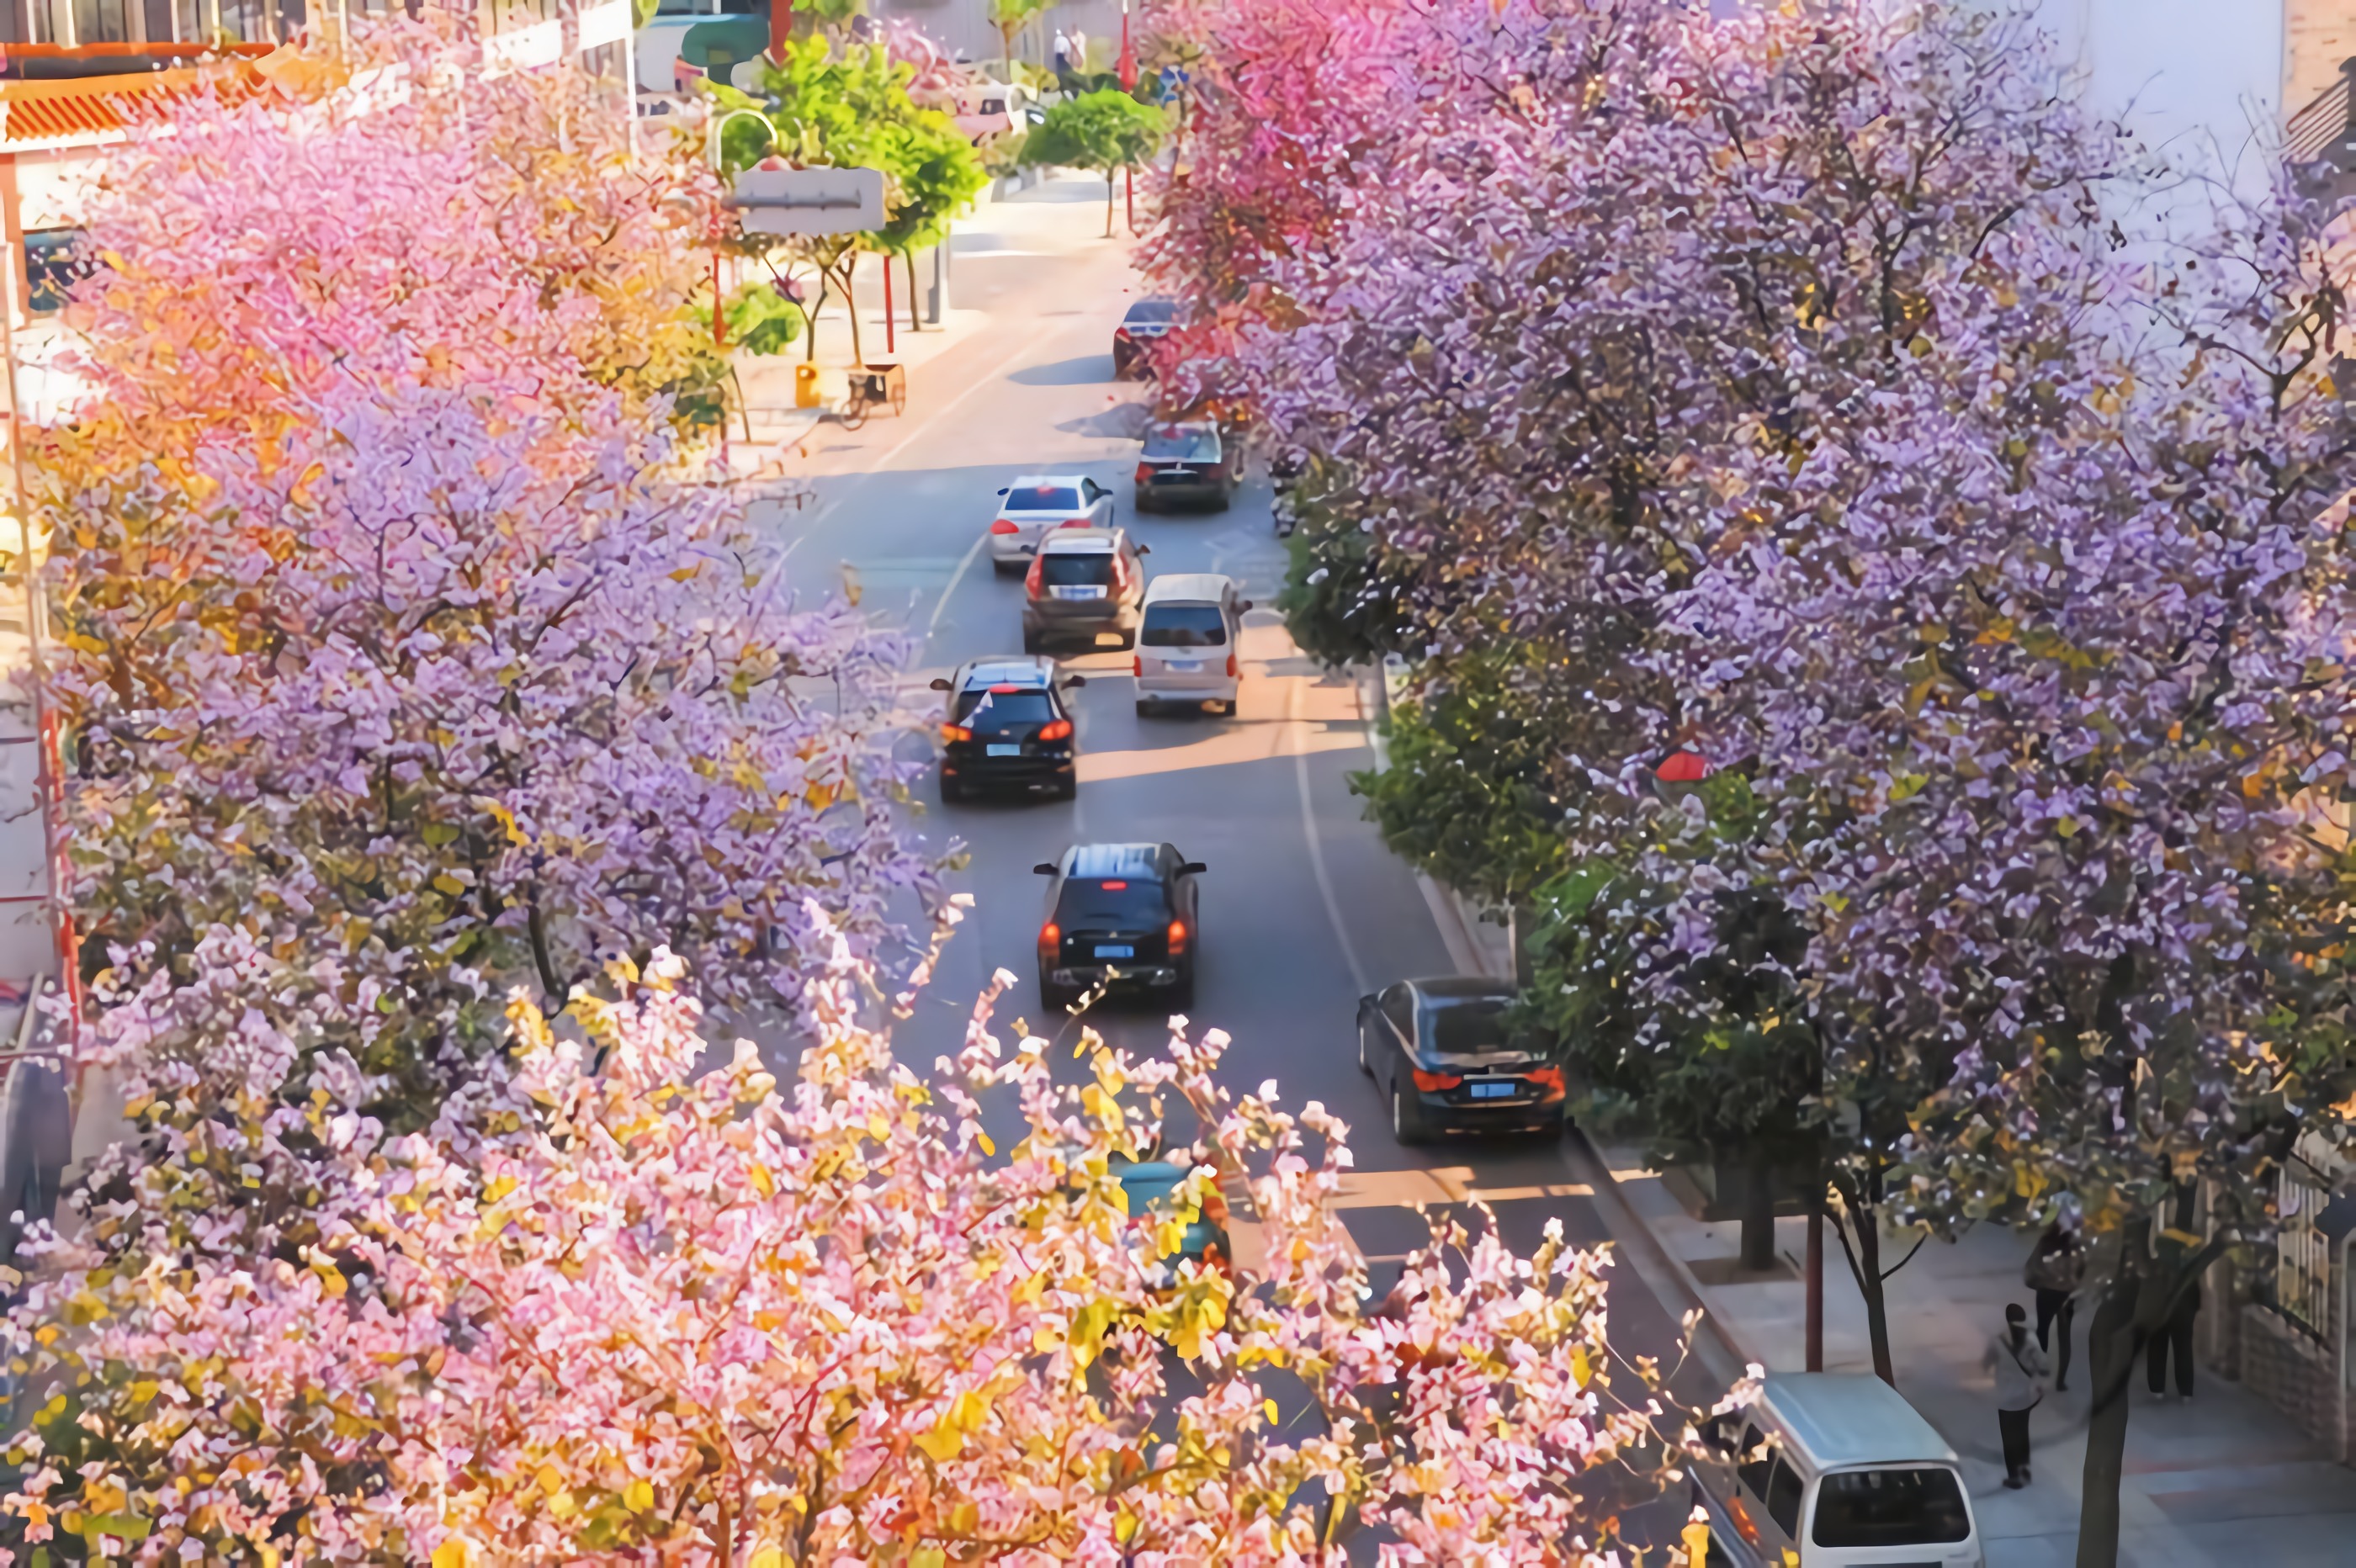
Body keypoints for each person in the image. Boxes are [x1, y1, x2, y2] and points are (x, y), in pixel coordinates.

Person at [1983, 1302, 2049, 1489]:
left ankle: (2014, 1476)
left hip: (2004, 1398)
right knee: (2022, 1434)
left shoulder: (1998, 1340)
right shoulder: (2031, 1339)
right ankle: (2024, 1470)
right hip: (2024, 1396)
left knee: (2009, 1438)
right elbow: (2043, 1366)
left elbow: (1986, 1364)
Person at [2024, 1218, 2086, 1392]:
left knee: (2042, 1332)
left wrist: (2039, 1281)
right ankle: (2061, 1381)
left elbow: (2034, 1265)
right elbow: (2082, 1267)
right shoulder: (2075, 1245)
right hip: (2067, 1295)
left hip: (2046, 1292)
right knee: (2064, 1338)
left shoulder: (2045, 1243)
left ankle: (2038, 1375)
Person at [2147, 1273, 2200, 1401]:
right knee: (2184, 1352)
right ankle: (2186, 1392)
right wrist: (2192, 1312)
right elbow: (2196, 1295)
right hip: (2183, 1314)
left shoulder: (2155, 1271)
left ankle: (2157, 1389)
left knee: (2156, 1350)